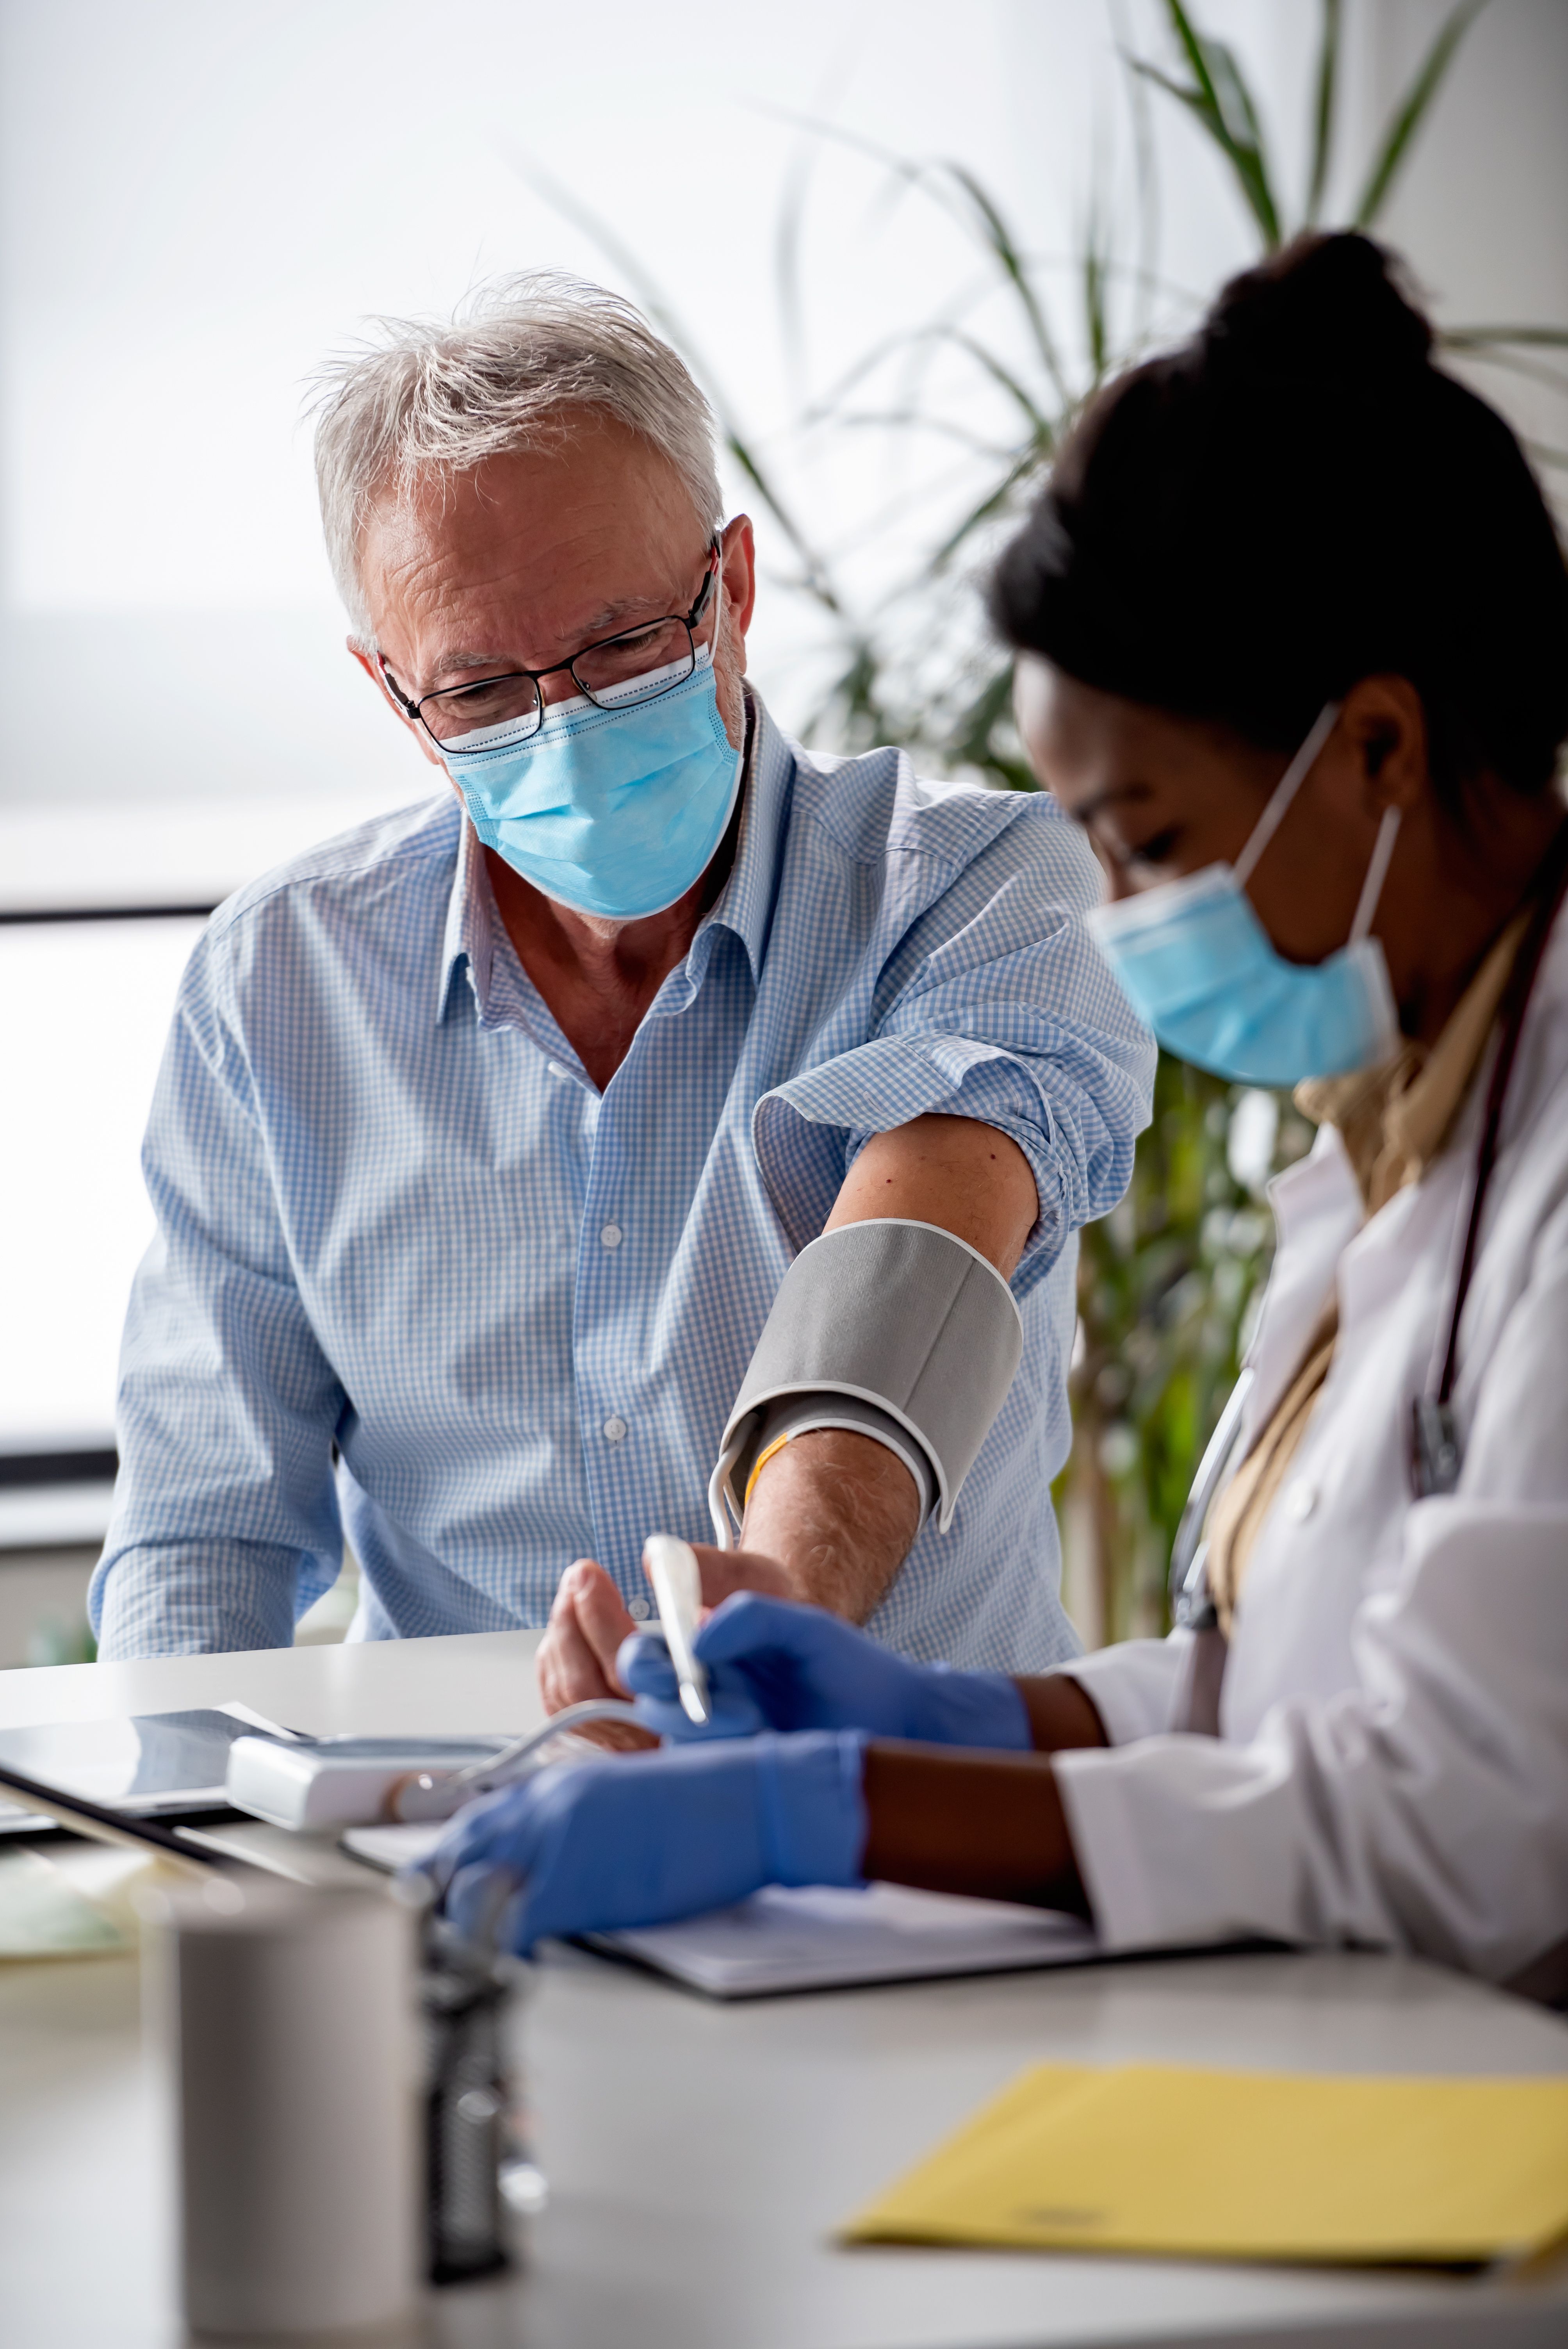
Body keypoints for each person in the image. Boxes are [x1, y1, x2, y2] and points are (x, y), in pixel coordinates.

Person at [427, 234, 1568, 2001]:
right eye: (487, 685)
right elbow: (1267, 1683)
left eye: (1155, 839)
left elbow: (1456, 1827)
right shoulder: (1397, 1113)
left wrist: (841, 1807)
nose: (1121, 916)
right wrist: (970, 1719)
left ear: (1376, 751)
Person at [89, 273, 1152, 1666]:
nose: (566, 724)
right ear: (394, 695)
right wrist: (187, 1833)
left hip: (906, 1829)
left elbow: (911, 1267)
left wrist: (775, 1613)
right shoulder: (279, 987)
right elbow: (207, 1528)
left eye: (621, 645)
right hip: (471, 1837)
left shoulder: (972, 891)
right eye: (480, 690)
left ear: (735, 588)